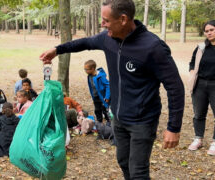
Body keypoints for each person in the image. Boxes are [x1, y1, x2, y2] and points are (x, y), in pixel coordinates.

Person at [39, 0, 184, 179]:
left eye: (106, 20)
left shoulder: (152, 47)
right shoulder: (108, 39)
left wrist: (173, 128)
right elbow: (84, 42)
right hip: (118, 118)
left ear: (123, 19)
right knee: (123, 162)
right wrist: (57, 50)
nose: (102, 24)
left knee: (138, 171)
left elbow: (175, 87)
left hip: (143, 121)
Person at [188, 20, 215, 155]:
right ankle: (198, 138)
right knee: (198, 113)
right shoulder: (201, 47)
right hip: (200, 85)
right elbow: (192, 62)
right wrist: (192, 72)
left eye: (212, 30)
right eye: (207, 31)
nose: (209, 33)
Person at [84, 60, 111, 125]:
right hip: (95, 96)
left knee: (105, 110)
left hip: (103, 97)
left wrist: (107, 97)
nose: (85, 71)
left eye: (86, 69)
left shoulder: (100, 76)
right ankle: (99, 123)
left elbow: (108, 85)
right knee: (97, 110)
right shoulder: (89, 75)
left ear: (92, 69)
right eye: (84, 69)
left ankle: (109, 124)